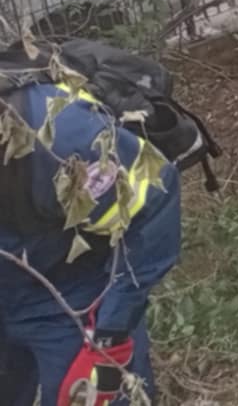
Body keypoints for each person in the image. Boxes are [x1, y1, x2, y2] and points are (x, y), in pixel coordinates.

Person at [0, 66, 181, 405]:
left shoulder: (60, 137)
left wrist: (110, 335)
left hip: (70, 297)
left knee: (93, 395)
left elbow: (151, 204)